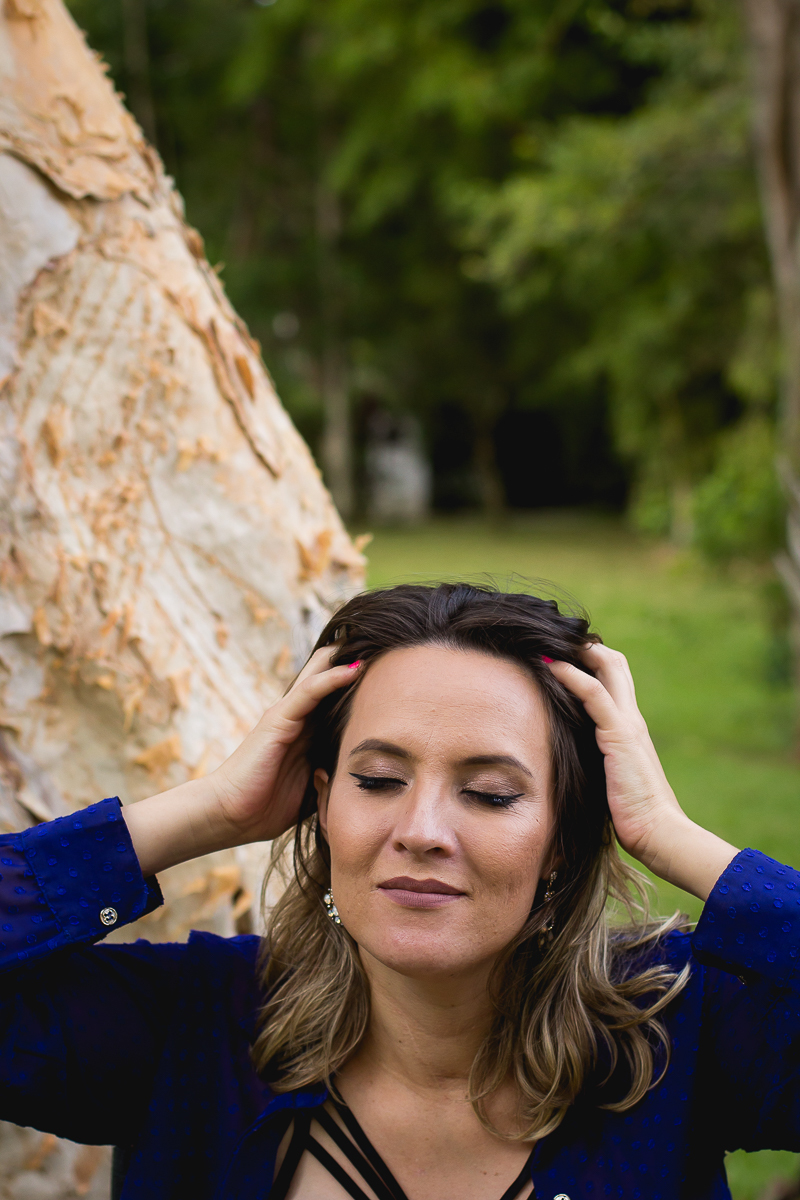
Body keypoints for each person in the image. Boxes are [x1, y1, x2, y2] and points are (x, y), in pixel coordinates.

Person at [0, 582, 797, 1200]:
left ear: (561, 840)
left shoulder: (675, 1031)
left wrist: (670, 835)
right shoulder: (192, 1027)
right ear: (320, 801)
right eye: (378, 780)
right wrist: (207, 809)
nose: (421, 829)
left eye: (488, 793)